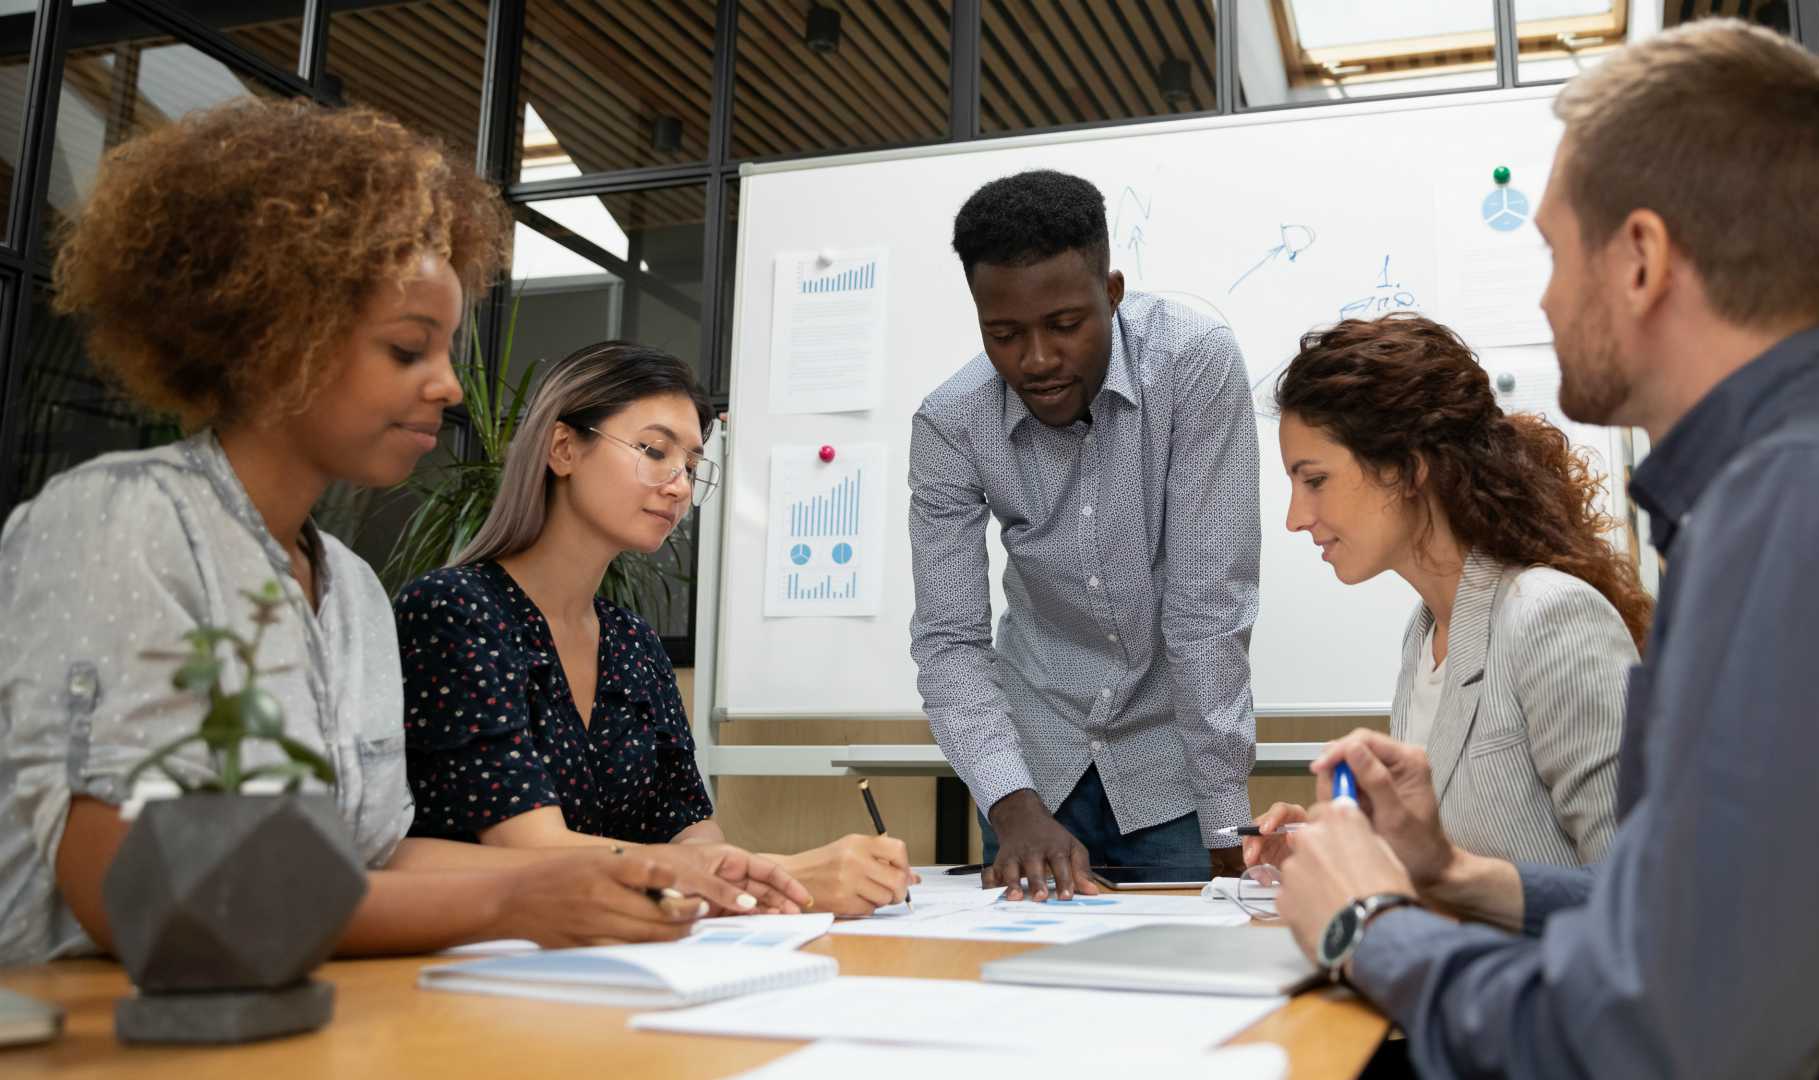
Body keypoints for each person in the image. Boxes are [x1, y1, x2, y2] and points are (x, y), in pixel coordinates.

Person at [1268, 21, 1819, 1076]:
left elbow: (1658, 1029)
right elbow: (1692, 925)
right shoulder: (1818, 481)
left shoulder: (1807, 514)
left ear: (1643, 259)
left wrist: (1366, 928)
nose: (1542, 299)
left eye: (1553, 252)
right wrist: (1449, 874)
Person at [0, 101, 791, 966]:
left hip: (313, 1017)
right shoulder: (126, 522)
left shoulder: (353, 595)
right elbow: (145, 893)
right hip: (100, 1032)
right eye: (409, 350)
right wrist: (520, 895)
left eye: (446, 350)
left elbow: (372, 860)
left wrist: (642, 883)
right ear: (279, 336)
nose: (450, 387)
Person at [395, 341, 915, 916]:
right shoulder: (455, 610)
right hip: (474, 959)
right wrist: (790, 874)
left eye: (691, 466)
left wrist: (763, 887)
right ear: (564, 448)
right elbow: (528, 845)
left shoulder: (633, 643)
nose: (680, 486)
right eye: (654, 450)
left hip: (620, 951)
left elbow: (691, 831)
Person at [910, 169, 1261, 899]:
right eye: (1003, 335)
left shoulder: (1195, 363)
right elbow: (950, 640)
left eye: (1065, 325)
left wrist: (1228, 832)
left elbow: (1207, 611)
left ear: (1114, 292)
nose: (1035, 361)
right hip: (1030, 774)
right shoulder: (950, 422)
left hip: (1172, 775)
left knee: (1187, 995)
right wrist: (1011, 804)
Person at [1242, 314, 1644, 871]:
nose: (1295, 517)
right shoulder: (1426, 633)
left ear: (1409, 470)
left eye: (1315, 480)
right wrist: (1336, 843)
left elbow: (1639, 891)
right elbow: (1447, 844)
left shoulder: (1549, 615)